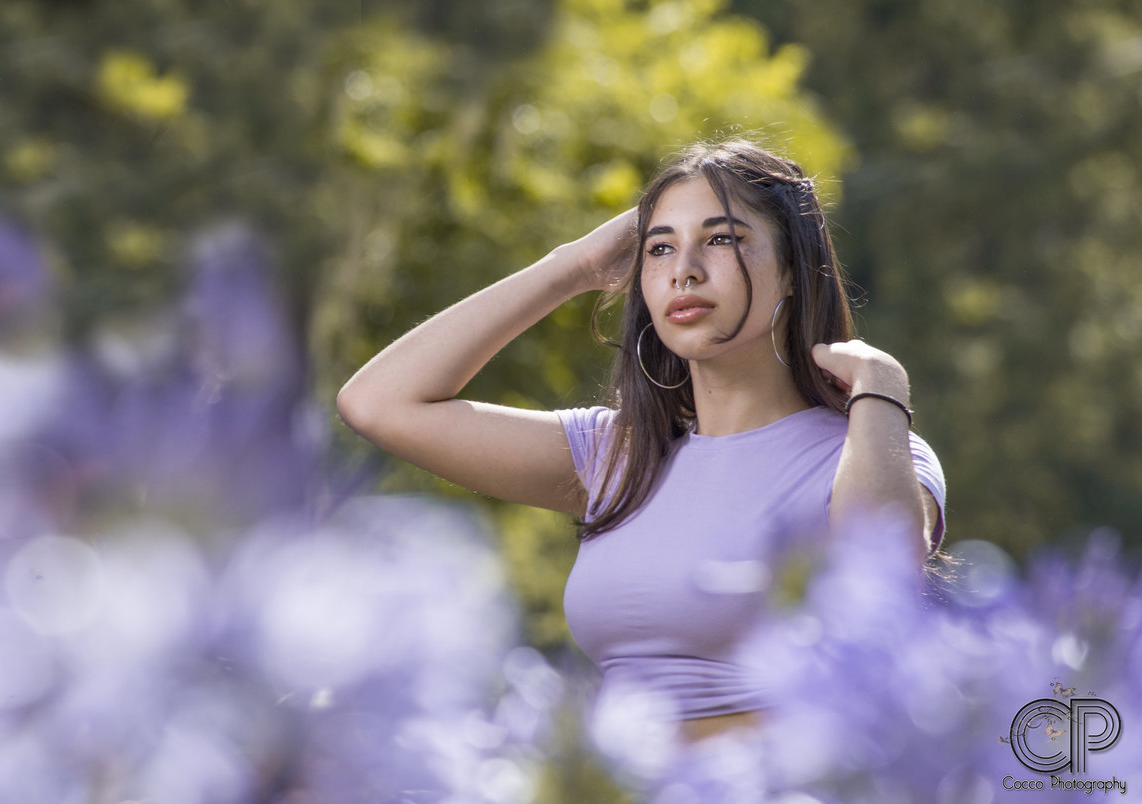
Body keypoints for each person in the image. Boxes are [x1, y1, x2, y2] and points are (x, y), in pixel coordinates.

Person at [336, 138, 945, 745]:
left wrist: (881, 389)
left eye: (721, 238)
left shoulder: (869, 450)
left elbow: (885, 565)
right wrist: (574, 267)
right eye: (660, 248)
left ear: (790, 267)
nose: (685, 269)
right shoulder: (616, 457)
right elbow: (378, 404)